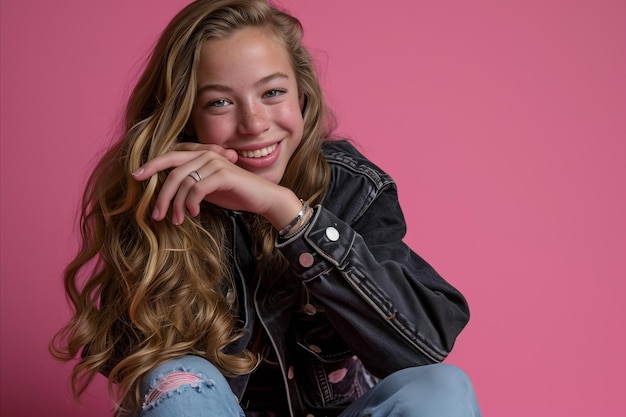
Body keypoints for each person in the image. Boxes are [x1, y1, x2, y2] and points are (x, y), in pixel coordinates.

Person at [50, 0, 482, 416]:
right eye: (219, 102)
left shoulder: (353, 188)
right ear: (186, 118)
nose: (254, 124)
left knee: (441, 386)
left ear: (303, 96)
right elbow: (144, 371)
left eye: (273, 92)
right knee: (177, 375)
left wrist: (288, 215)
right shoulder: (159, 197)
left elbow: (421, 345)